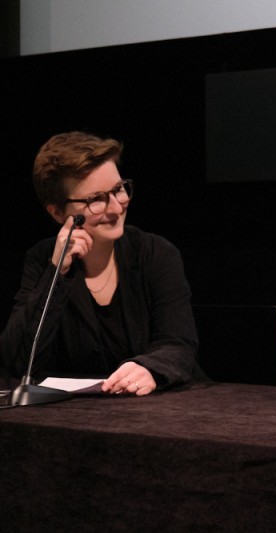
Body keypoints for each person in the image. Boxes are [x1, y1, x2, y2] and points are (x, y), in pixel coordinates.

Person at [0, 131, 200, 395]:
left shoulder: (156, 253)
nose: (116, 208)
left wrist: (149, 368)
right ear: (57, 212)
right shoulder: (41, 261)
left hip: (159, 410)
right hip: (78, 418)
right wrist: (57, 273)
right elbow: (16, 360)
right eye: (96, 199)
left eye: (118, 190)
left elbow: (179, 344)